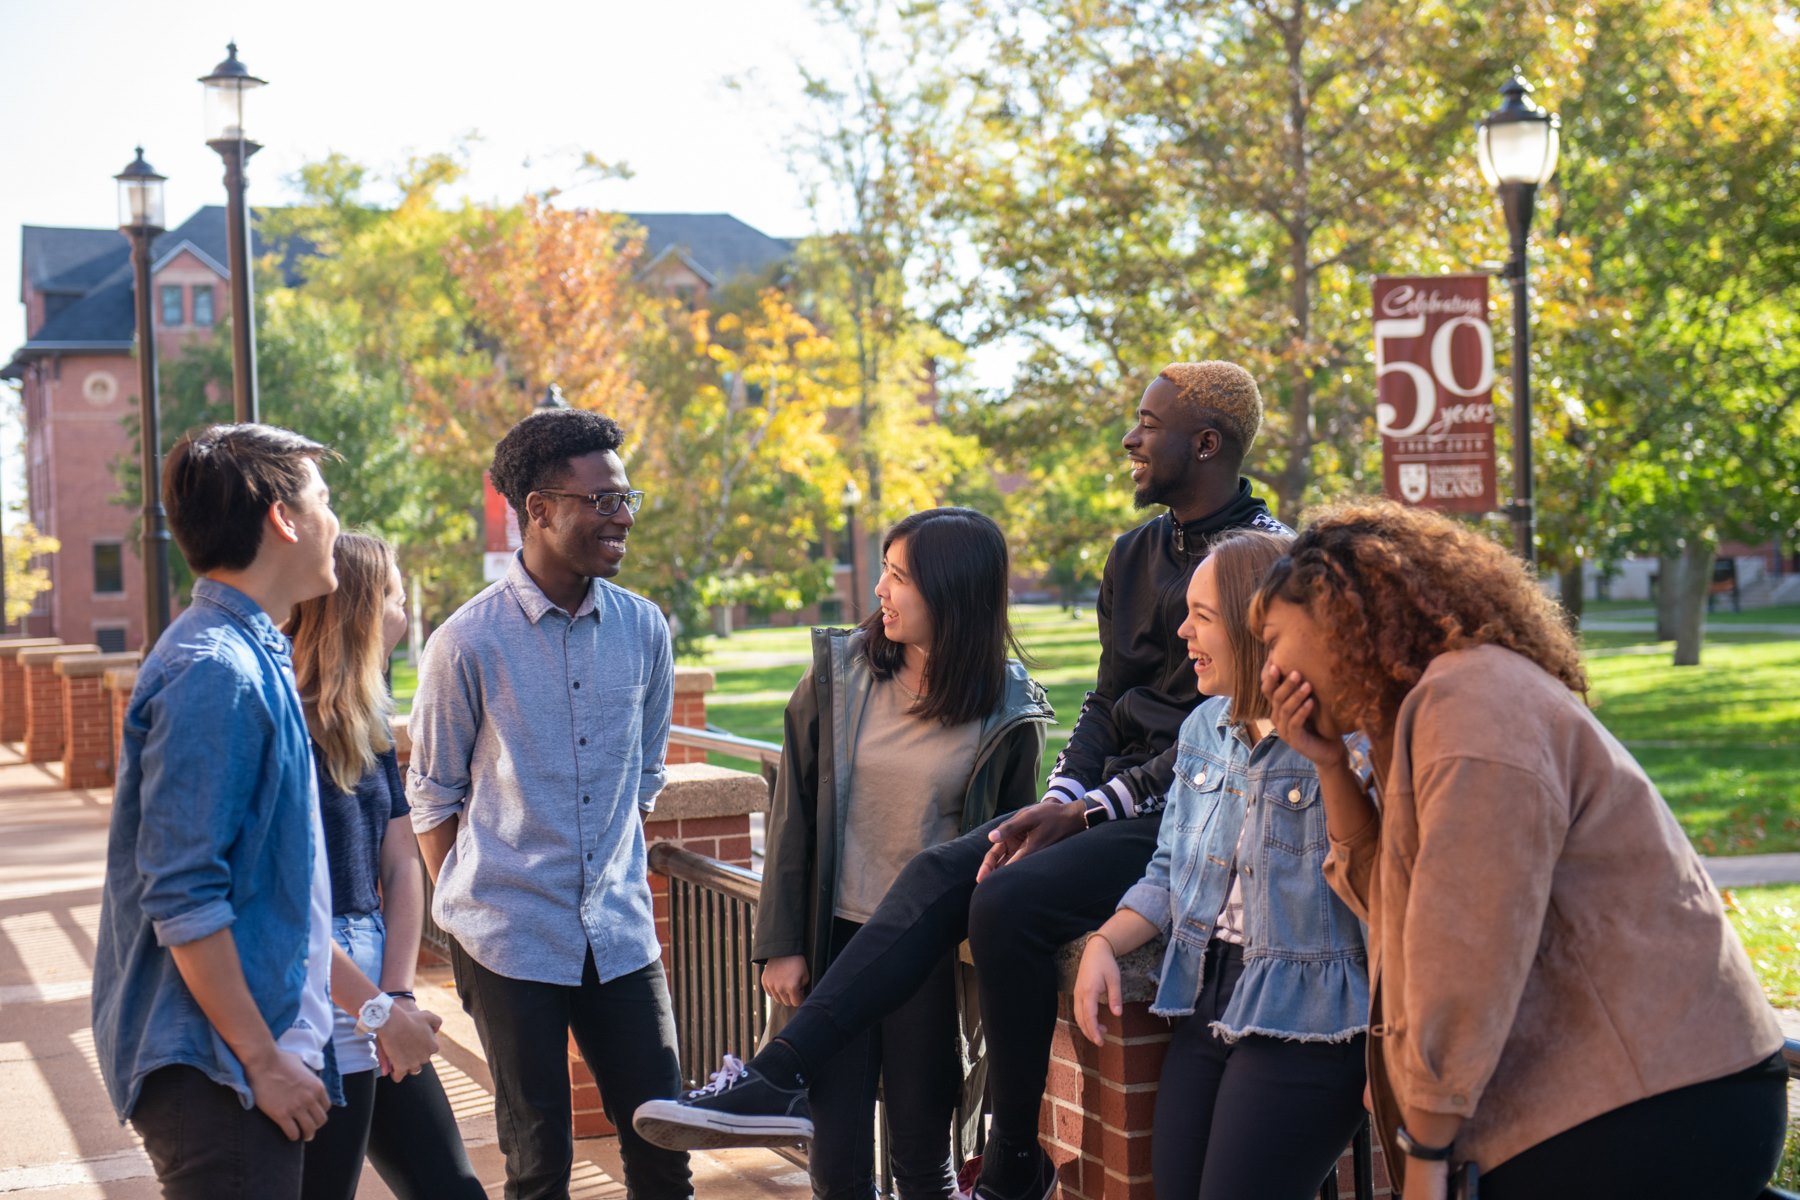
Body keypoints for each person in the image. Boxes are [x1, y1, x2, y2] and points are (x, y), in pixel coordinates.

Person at [632, 361, 1289, 1200]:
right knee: (957, 872)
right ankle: (787, 1076)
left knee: (1003, 902)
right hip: (1114, 805)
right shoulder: (1132, 556)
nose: (1130, 437)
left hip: (1200, 807)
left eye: (1147, 423)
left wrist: (1090, 808)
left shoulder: (1271, 559)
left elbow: (1229, 729)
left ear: (1205, 443)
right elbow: (1106, 702)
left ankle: (1009, 1153)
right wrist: (1060, 800)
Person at [1255, 501, 1787, 1200]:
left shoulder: (1470, 703)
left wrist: (1425, 1150)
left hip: (1655, 1098)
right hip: (1616, 1092)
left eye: (1272, 639)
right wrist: (1329, 765)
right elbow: (1394, 913)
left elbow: (1463, 947)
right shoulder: (1422, 711)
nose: (1268, 671)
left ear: (1336, 615)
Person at [641, 509, 1052, 1197]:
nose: (880, 593)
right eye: (884, 572)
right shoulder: (840, 679)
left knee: (924, 1156)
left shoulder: (1010, 710)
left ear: (953, 592)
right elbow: (791, 813)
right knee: (837, 1165)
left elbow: (1008, 847)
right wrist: (780, 943)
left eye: (898, 577)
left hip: (923, 957)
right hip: (833, 943)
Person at [91, 424, 439, 1199]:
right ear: (283, 519)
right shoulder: (212, 670)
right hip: (219, 1073)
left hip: (260, 1055)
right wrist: (262, 1059)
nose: (335, 522)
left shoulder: (252, 653)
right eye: (323, 500)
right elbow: (182, 896)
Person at [407, 408, 691, 1200]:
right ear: (538, 509)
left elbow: (644, 775)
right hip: (508, 942)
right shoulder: (465, 643)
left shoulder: (644, 630)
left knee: (665, 1143)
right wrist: (471, 908)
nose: (623, 515)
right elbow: (431, 796)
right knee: (540, 1165)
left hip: (621, 935)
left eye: (626, 496)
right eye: (602, 499)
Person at [1071, 529, 1368, 1200]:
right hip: (1206, 995)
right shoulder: (1203, 729)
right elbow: (1170, 869)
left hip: (1311, 1014)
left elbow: (1384, 899)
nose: (1182, 633)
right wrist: (1102, 943)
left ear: (1254, 624)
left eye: (1201, 616)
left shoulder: (1346, 740)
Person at [288, 532, 484, 1200]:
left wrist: (396, 996)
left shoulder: (367, 718)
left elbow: (400, 862)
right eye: (397, 593)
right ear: (370, 608)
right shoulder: (283, 724)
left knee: (451, 1187)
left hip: (372, 976)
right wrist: (374, 1010)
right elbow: (287, 909)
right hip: (313, 987)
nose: (405, 609)